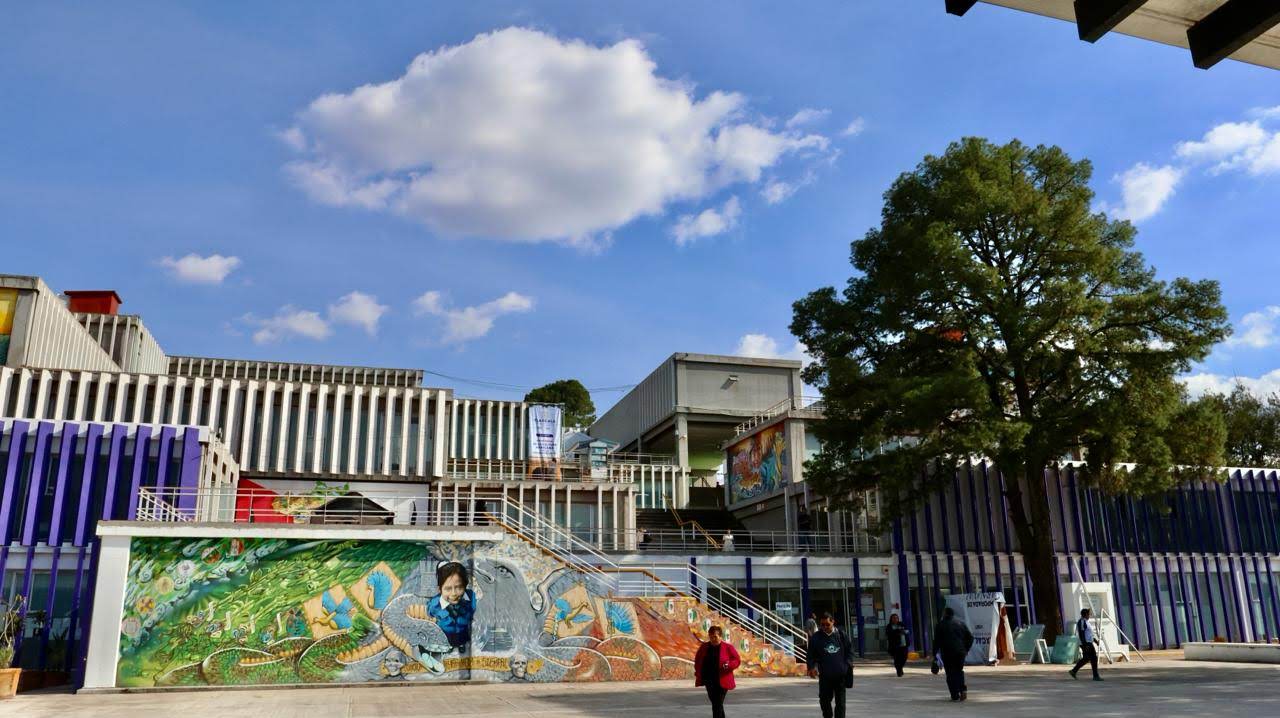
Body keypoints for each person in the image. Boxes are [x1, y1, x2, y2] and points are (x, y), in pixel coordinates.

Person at [807, 613, 854, 718]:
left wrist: (847, 665)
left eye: (827, 624)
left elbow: (849, 652)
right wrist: (811, 667)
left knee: (841, 703)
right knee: (824, 700)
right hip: (825, 675)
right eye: (822, 625)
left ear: (833, 622)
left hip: (840, 675)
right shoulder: (816, 637)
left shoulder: (841, 635)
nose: (824, 627)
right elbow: (810, 655)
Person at [427, 561, 476, 651]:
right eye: (448, 589)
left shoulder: (471, 598)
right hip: (446, 634)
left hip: (462, 633)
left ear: (465, 586)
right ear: (440, 589)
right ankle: (448, 647)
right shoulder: (434, 604)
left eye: (459, 587)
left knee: (462, 640)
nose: (454, 594)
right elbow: (430, 614)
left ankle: (461, 645)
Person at [694, 625, 741, 718]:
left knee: (717, 703)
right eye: (710, 636)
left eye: (715, 636)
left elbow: (737, 660)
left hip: (723, 680)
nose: (712, 639)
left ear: (720, 636)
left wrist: (729, 665)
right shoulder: (704, 647)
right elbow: (698, 660)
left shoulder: (728, 647)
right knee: (716, 704)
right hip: (709, 680)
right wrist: (698, 671)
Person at [933, 607, 974, 702]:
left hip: (948, 652)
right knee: (959, 671)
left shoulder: (940, 625)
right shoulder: (960, 623)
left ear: (945, 614)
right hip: (960, 652)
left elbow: (937, 641)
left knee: (950, 673)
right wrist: (966, 649)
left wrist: (935, 654)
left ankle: (955, 694)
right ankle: (962, 689)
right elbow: (970, 637)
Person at [1070, 608, 1103, 681]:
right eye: (1089, 614)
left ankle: (1074, 671)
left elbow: (1089, 634)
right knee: (1093, 658)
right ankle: (1095, 676)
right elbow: (1082, 634)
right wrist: (1085, 644)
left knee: (1087, 658)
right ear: (1085, 614)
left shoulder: (1087, 622)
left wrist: (1095, 641)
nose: (1089, 615)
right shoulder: (1081, 622)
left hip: (1089, 642)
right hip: (1086, 643)